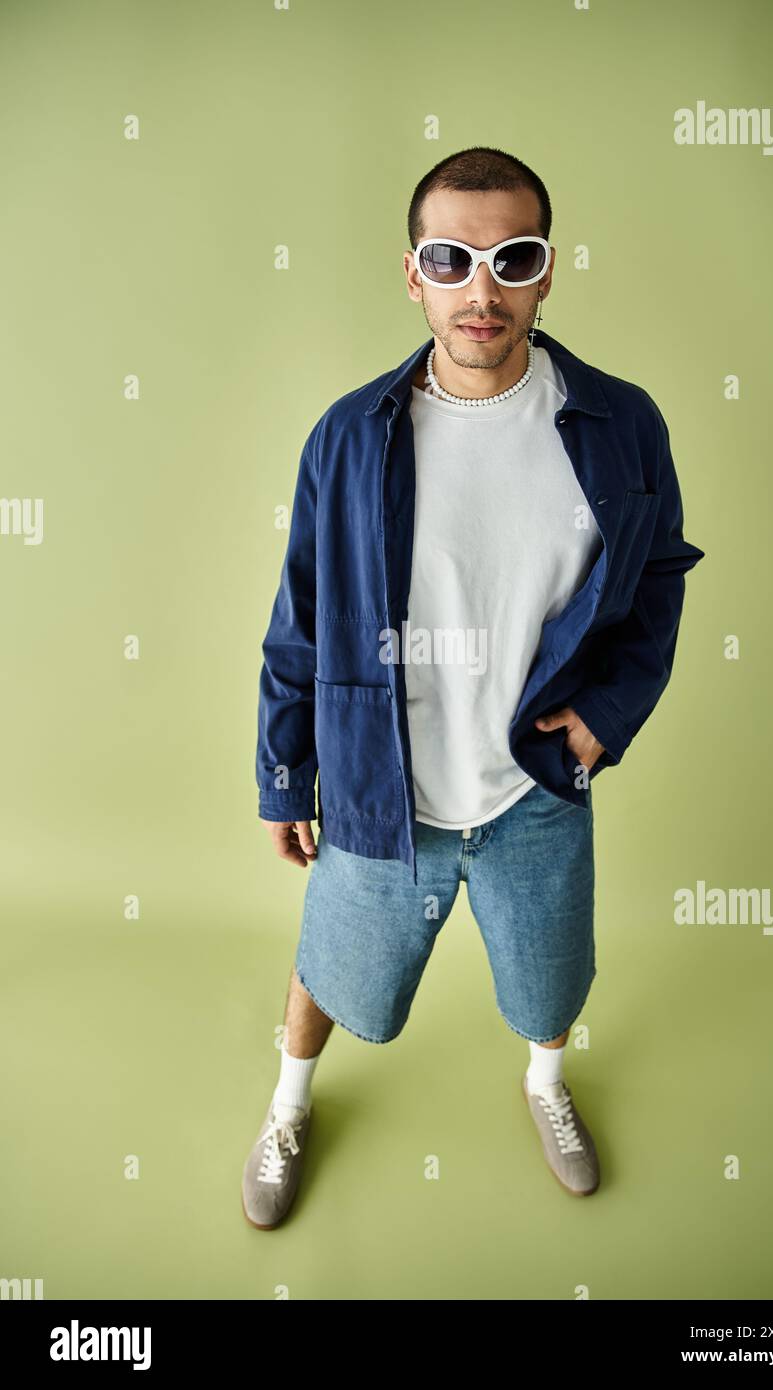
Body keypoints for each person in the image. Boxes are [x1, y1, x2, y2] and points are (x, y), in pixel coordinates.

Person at [241, 146, 705, 1229]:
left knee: (550, 987)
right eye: (451, 259)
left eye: (512, 258)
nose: (480, 289)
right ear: (414, 276)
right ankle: (286, 1103)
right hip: (377, 789)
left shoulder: (619, 423)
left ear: (548, 270)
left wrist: (604, 718)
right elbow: (299, 613)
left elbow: (661, 576)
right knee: (329, 964)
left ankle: (545, 1084)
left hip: (535, 787)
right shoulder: (350, 436)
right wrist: (282, 773)